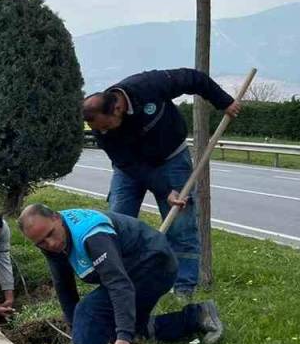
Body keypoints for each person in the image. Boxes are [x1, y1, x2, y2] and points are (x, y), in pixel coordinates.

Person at [17, 204, 223, 344]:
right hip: (130, 268)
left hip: (154, 265)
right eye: (41, 242)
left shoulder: (92, 236)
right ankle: (197, 316)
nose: (50, 244)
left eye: (50, 235)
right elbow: (64, 285)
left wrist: (122, 335)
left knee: (89, 312)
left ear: (56, 217)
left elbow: (118, 283)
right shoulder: (49, 239)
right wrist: (75, 328)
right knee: (123, 328)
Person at [82, 68, 242, 297]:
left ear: (117, 108)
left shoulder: (147, 85)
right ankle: (120, 283)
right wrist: (164, 189)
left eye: (106, 125)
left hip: (172, 158)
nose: (103, 131)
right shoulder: (101, 130)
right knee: (118, 221)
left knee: (181, 223)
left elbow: (193, 78)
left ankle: (183, 289)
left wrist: (223, 101)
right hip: (131, 169)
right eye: (99, 129)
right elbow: (128, 164)